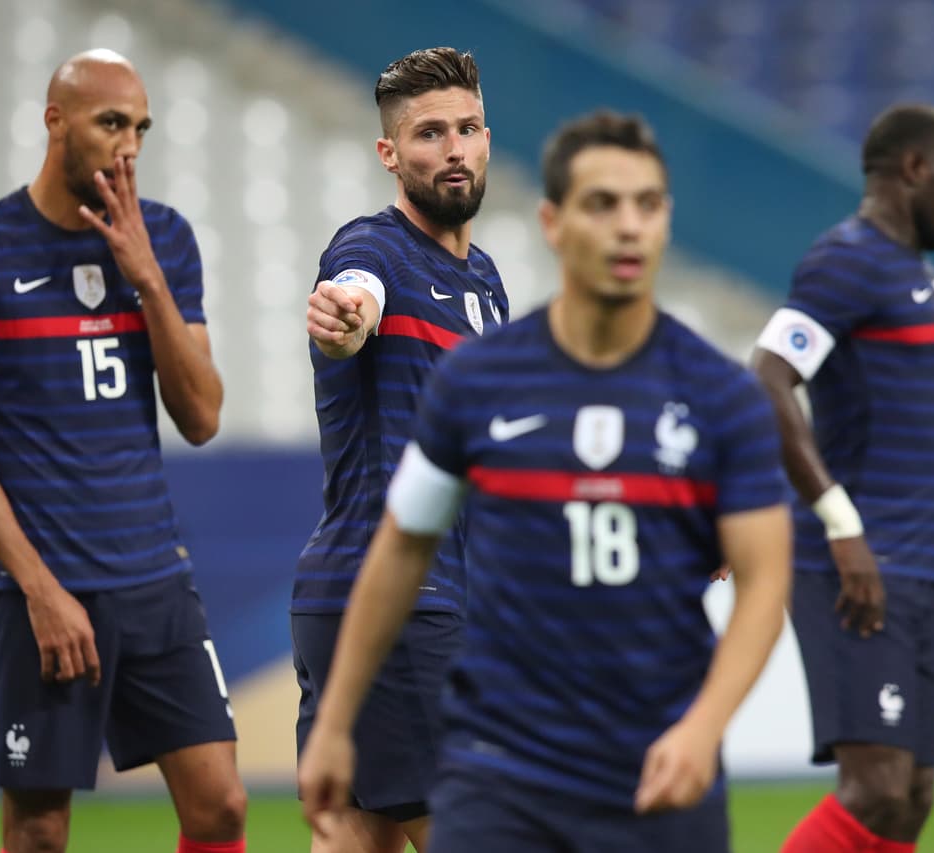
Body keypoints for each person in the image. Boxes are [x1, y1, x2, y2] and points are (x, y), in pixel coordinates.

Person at [298, 111, 792, 853]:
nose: (627, 225)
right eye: (602, 203)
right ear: (553, 222)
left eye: (647, 204)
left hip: (660, 748)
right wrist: (335, 721)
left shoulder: (721, 397)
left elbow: (766, 581)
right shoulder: (477, 380)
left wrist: (703, 726)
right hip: (515, 746)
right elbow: (403, 547)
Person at [0, 49, 247, 853]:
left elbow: (202, 415)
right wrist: (39, 588)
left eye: (140, 128)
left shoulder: (164, 239)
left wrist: (148, 280)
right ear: (54, 122)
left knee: (223, 807)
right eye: (110, 124)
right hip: (45, 589)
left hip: (154, 577)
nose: (128, 145)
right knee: (38, 829)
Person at [293, 46, 507, 853]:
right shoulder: (373, 250)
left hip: (370, 603)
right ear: (390, 153)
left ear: (488, 138)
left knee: (356, 838)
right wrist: (345, 316)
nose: (453, 150)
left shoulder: (485, 282)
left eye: (468, 129)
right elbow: (355, 298)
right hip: (397, 604)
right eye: (429, 135)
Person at [750, 104, 934, 853]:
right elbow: (769, 378)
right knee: (874, 788)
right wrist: (842, 524)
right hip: (858, 564)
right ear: (914, 168)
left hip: (922, 571)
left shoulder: (916, 271)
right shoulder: (847, 259)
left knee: (911, 797)